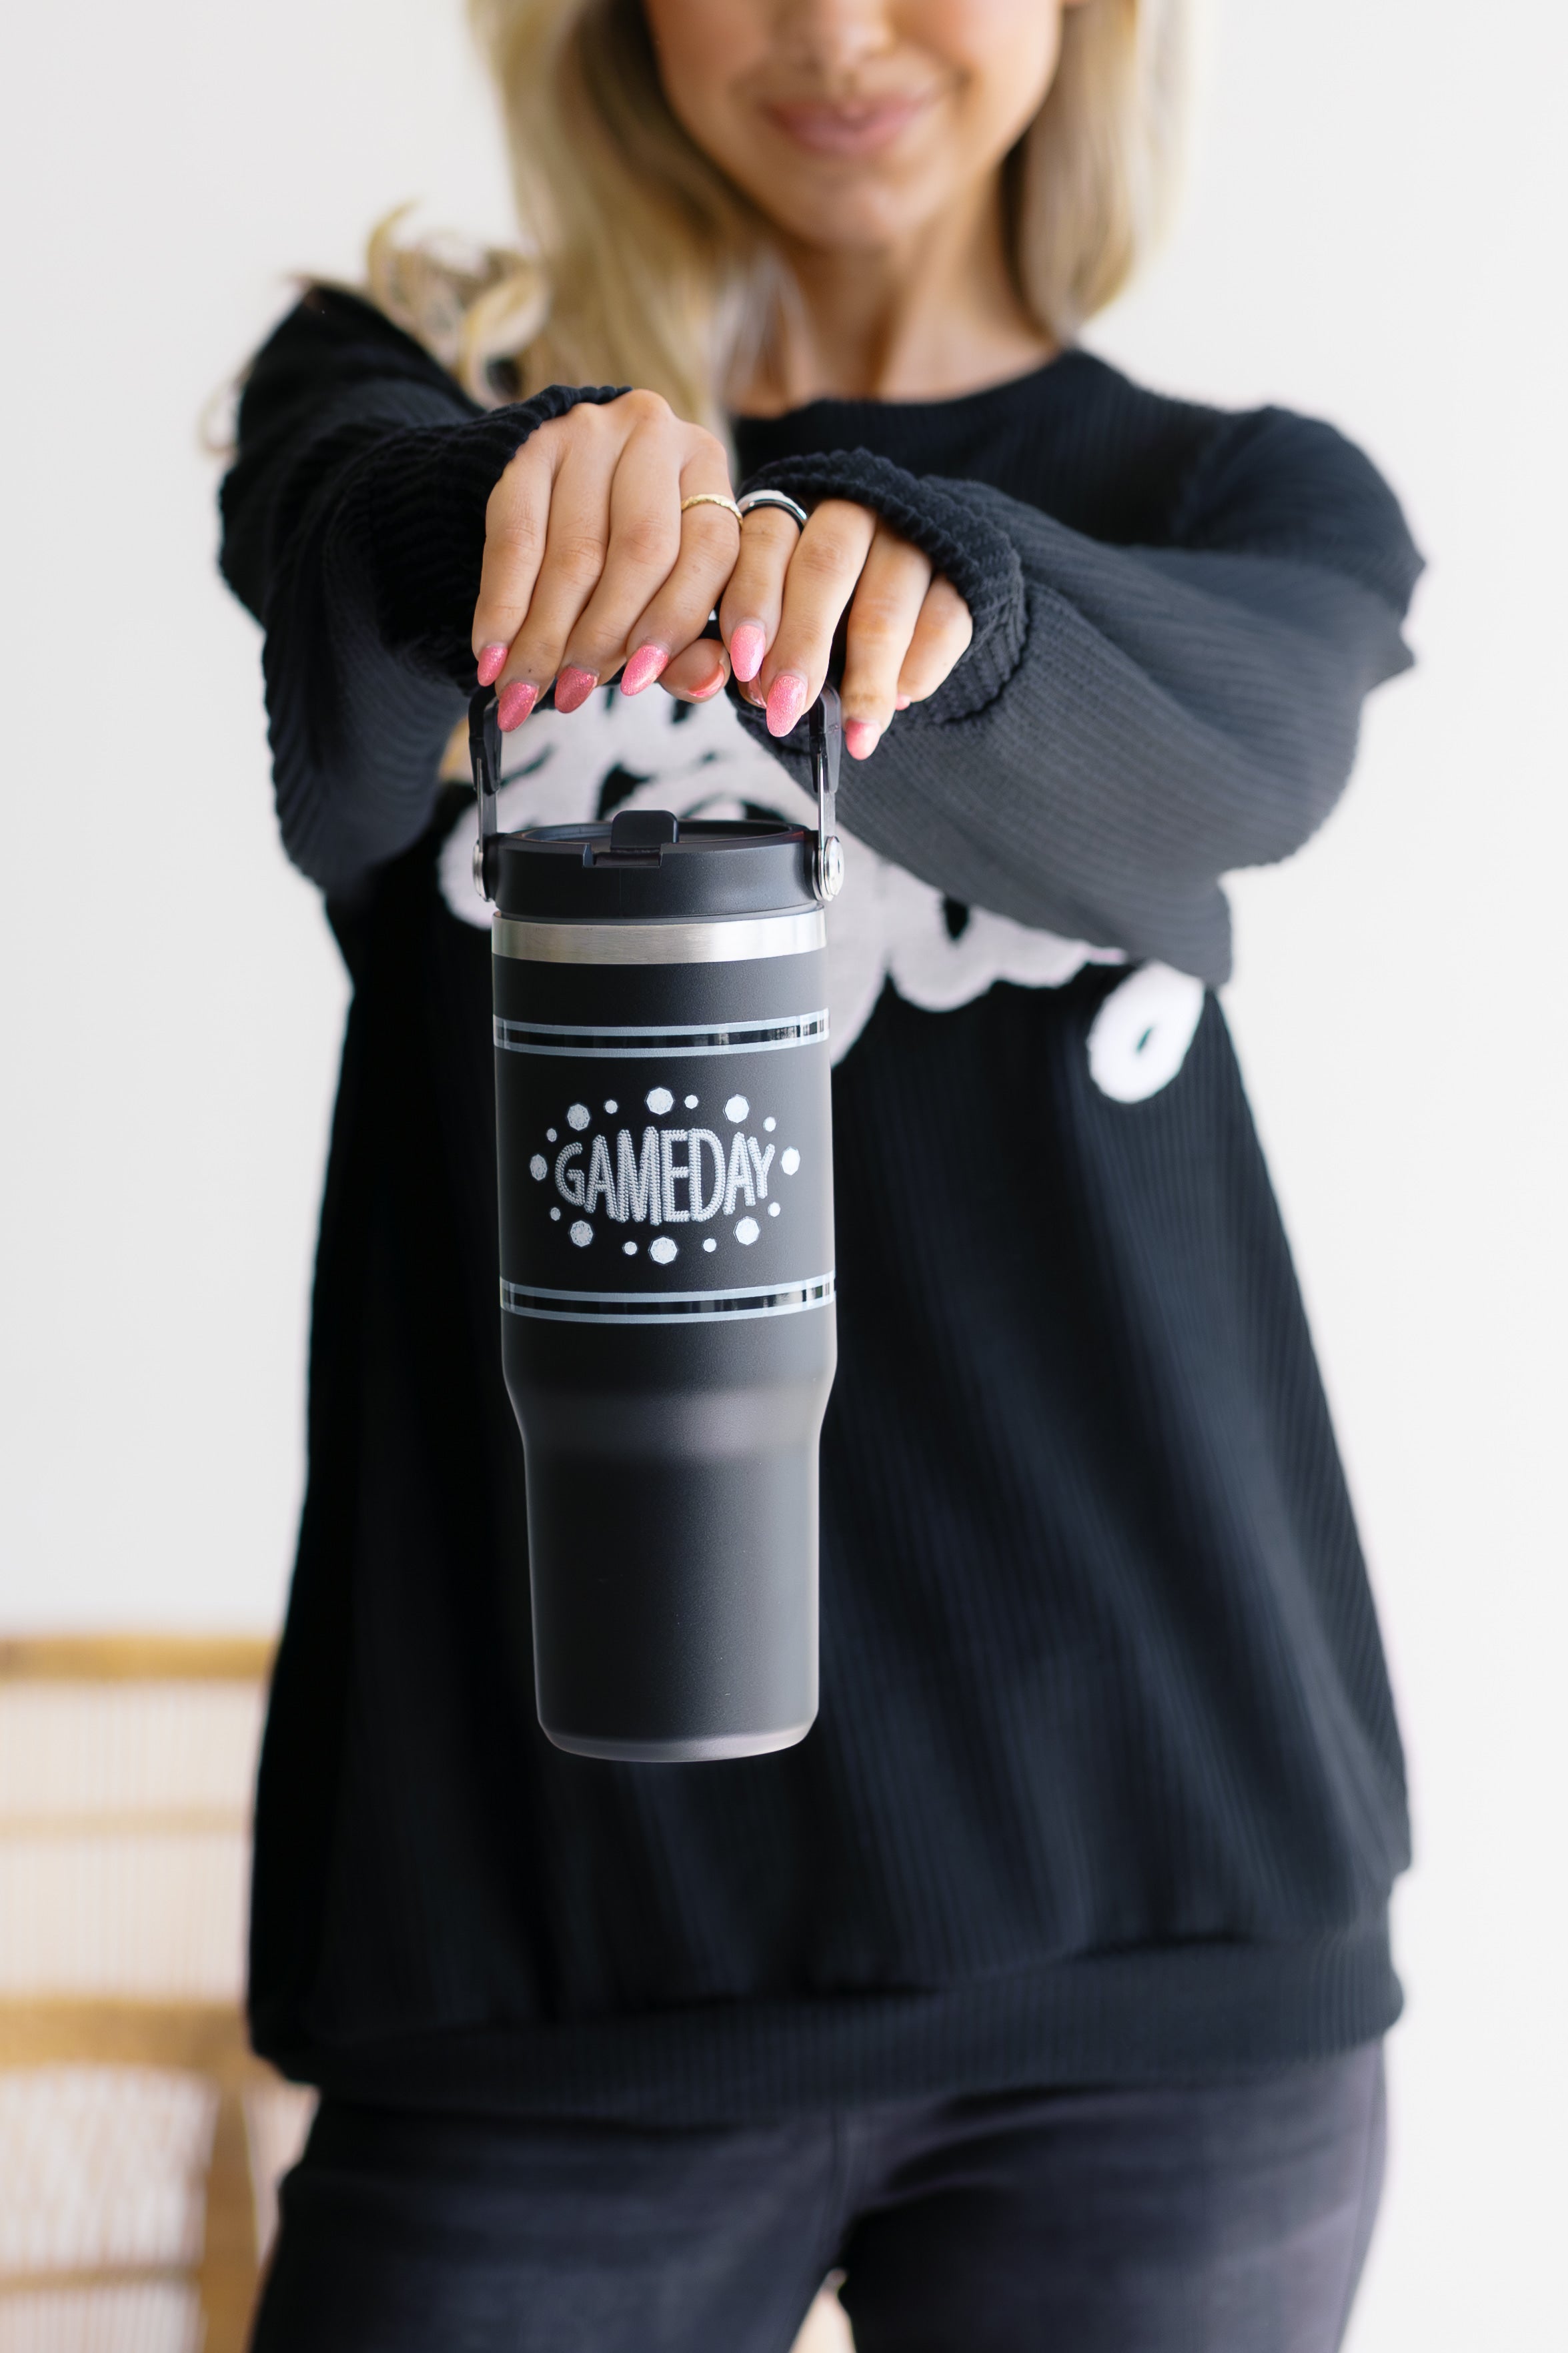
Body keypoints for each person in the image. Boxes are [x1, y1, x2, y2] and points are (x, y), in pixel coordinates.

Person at [220, 1, 1420, 2344]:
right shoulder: (395, 407)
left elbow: (1237, 756)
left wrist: (939, 615)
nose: (838, 27)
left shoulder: (1245, 504)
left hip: (1167, 1948)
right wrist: (527, 496)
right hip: (541, 1957)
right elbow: (348, 628)